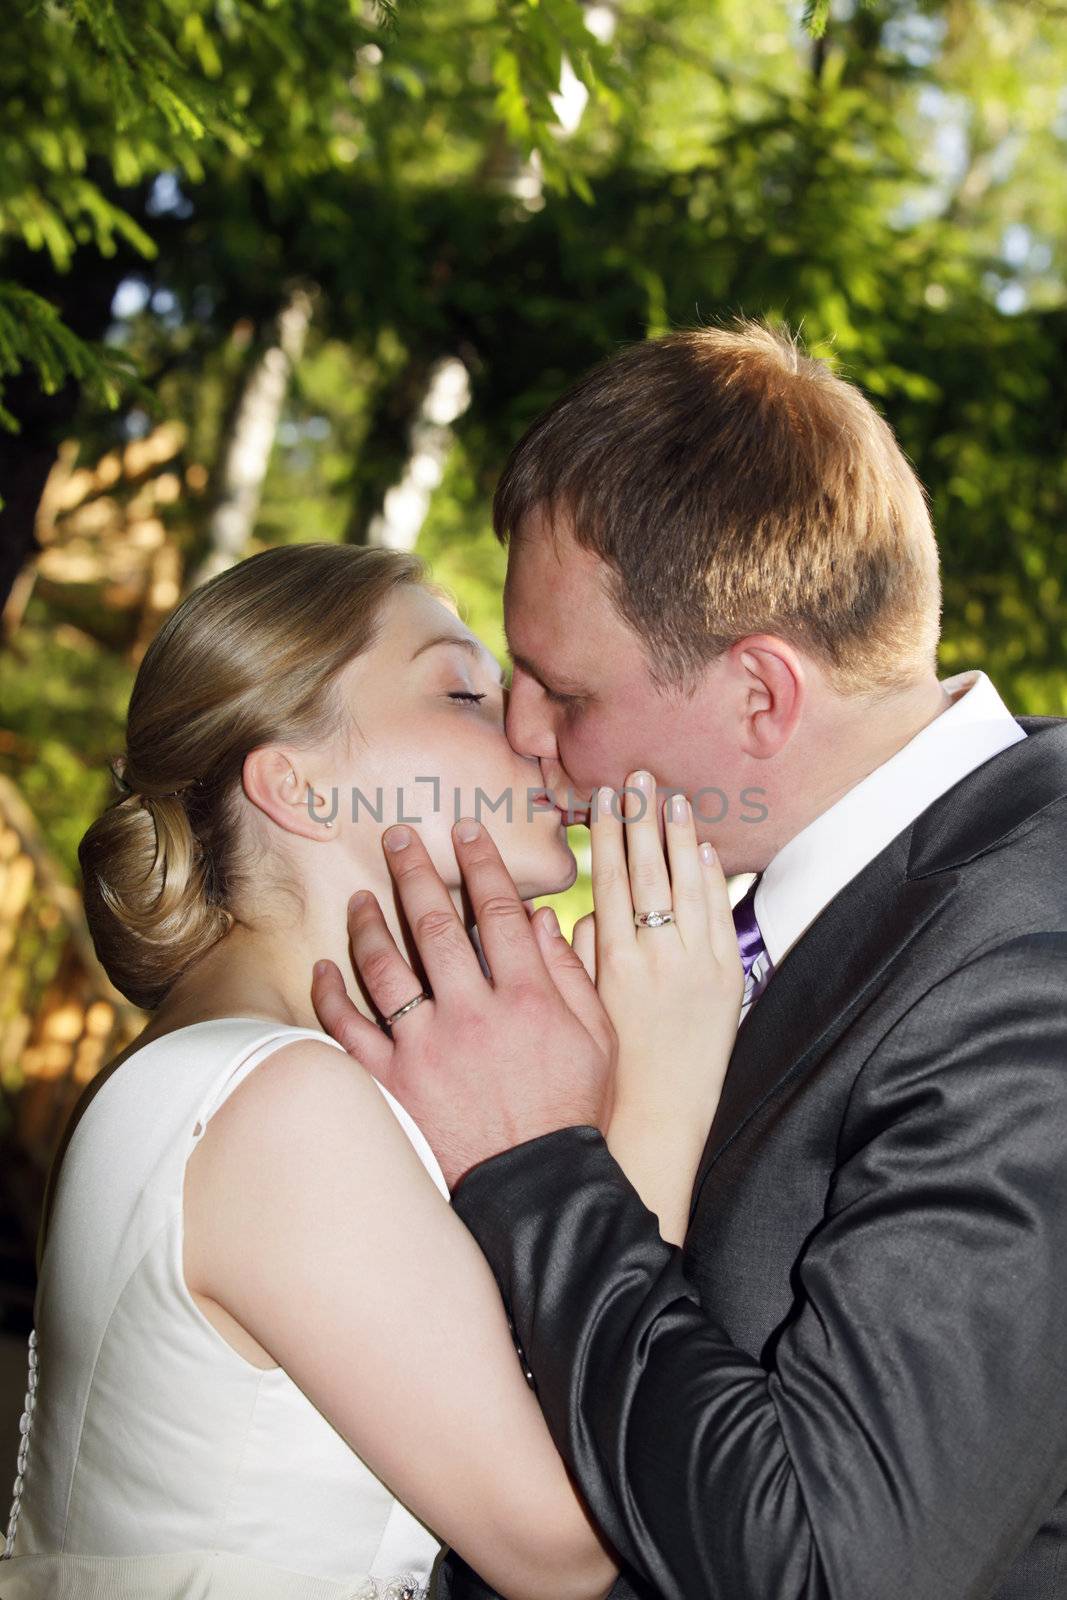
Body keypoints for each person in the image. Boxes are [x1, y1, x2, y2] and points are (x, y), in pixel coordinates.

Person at [313, 322, 1067, 1600]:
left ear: (760, 697)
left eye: (566, 694)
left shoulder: (1026, 951)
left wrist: (532, 1162)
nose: (522, 734)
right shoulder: (733, 922)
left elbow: (831, 1566)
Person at [0, 541, 743, 1600]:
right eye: (462, 692)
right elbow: (569, 1544)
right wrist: (666, 1084)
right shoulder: (278, 1103)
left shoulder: (228, 1072)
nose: (534, 736)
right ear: (295, 783)